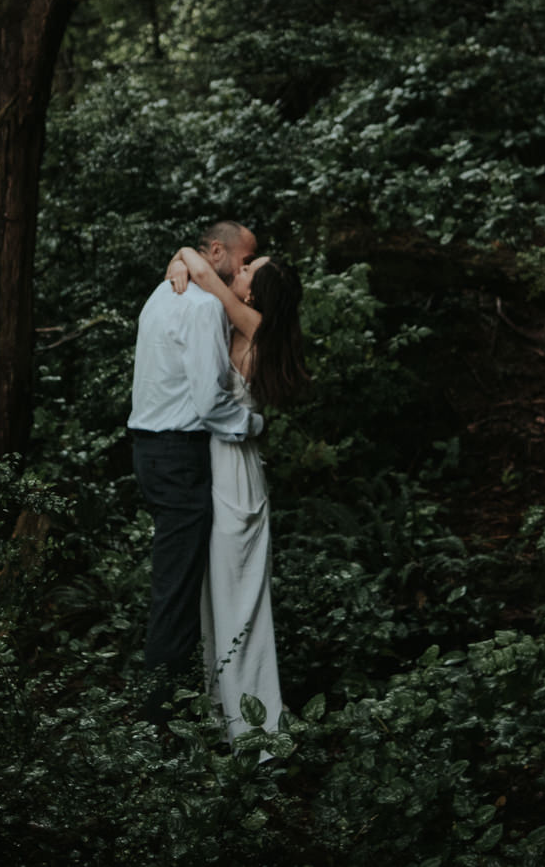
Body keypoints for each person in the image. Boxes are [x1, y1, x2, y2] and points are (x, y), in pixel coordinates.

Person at [164, 243, 310, 749]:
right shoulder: (246, 326)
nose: (239, 271)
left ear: (256, 292)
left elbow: (203, 272)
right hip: (219, 465)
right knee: (215, 601)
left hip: (235, 474)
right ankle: (225, 717)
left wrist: (183, 255)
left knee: (241, 602)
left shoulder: (253, 322)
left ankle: (258, 729)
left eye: (249, 269)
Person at [130, 220, 259, 725]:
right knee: (177, 594)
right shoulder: (205, 307)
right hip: (178, 456)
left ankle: (178, 708)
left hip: (153, 451)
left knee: (177, 588)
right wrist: (253, 423)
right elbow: (209, 402)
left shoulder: (164, 291)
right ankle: (158, 722)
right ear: (215, 252)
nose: (245, 268)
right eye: (244, 259)